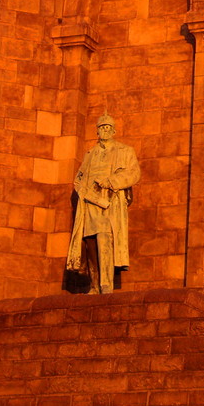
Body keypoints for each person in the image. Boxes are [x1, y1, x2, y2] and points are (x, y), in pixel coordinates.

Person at [66, 114, 140, 294]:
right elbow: (79, 178)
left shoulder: (124, 151)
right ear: (97, 131)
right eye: (102, 127)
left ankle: (106, 285)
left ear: (113, 131)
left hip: (110, 203)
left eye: (108, 127)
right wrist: (83, 190)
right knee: (90, 242)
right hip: (91, 203)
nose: (105, 130)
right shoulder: (90, 154)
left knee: (105, 238)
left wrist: (112, 181)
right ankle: (94, 284)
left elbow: (134, 173)